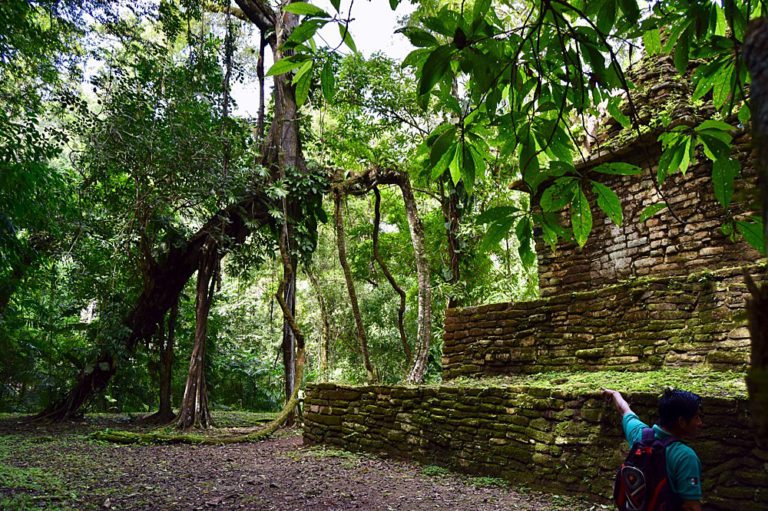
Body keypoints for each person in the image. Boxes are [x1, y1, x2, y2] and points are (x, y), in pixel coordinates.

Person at [602, 388, 704, 511]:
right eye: (696, 417)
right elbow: (691, 506)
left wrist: (614, 394)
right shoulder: (685, 456)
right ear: (681, 421)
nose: (700, 423)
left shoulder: (639, 435)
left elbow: (624, 410)